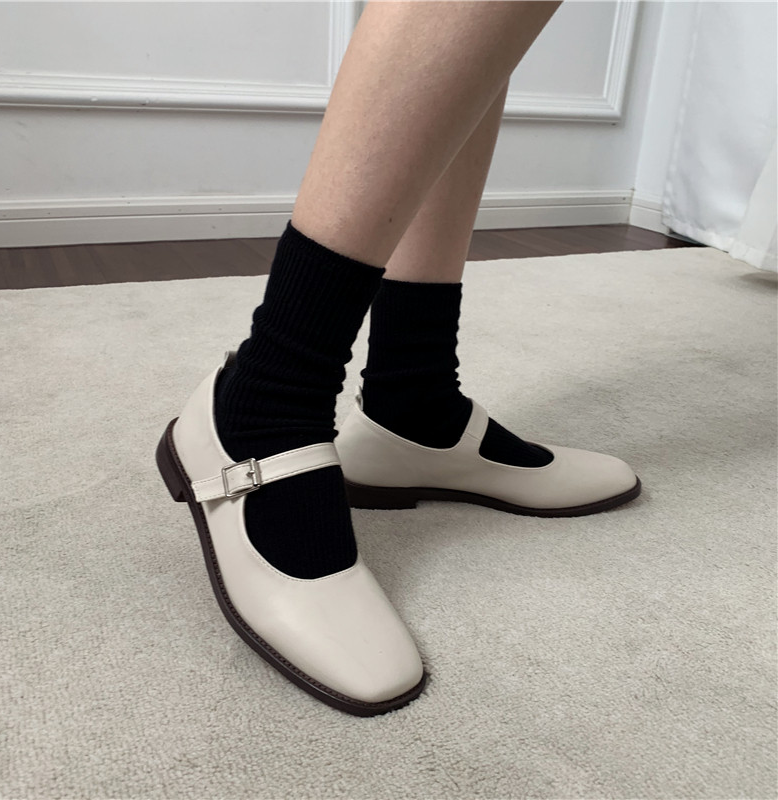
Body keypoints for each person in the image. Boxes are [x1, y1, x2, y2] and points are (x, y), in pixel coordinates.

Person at [156, 0, 640, 717]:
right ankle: (265, 404)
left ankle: (413, 406)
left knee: (493, 28)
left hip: (411, 405)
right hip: (263, 420)